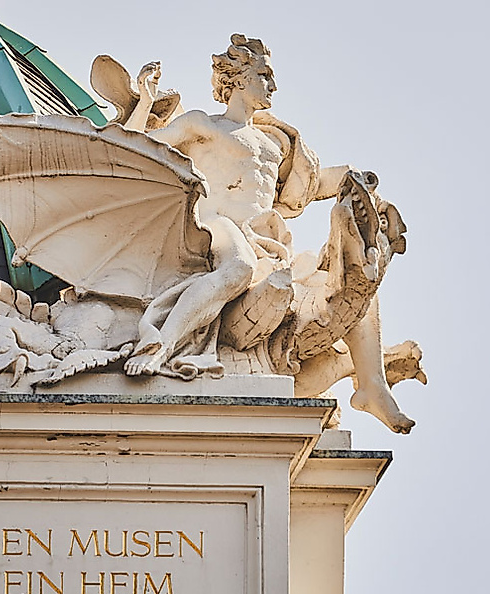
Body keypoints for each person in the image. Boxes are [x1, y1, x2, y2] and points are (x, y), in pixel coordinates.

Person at [124, 34, 415, 433]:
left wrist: (354, 178)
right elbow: (135, 150)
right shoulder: (202, 125)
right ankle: (159, 344)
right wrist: (143, 103)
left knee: (351, 277)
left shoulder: (274, 143)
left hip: (267, 239)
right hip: (214, 229)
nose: (272, 86)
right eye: (264, 75)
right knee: (239, 266)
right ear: (238, 79)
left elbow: (310, 187)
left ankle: (372, 385)